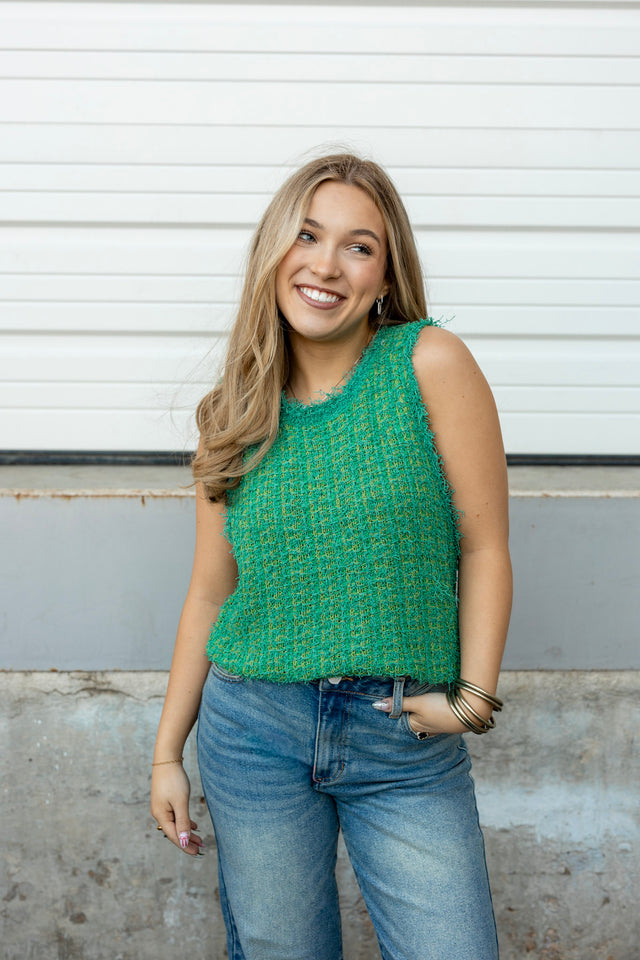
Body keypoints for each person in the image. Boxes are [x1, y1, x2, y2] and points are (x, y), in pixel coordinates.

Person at [150, 152, 512, 960]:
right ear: (274, 253)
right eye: (307, 236)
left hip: (401, 734)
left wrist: (473, 699)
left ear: (385, 274)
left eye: (358, 246)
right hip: (252, 729)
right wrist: (167, 751)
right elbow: (210, 593)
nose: (325, 265)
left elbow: (485, 545)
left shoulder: (428, 363)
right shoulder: (232, 412)